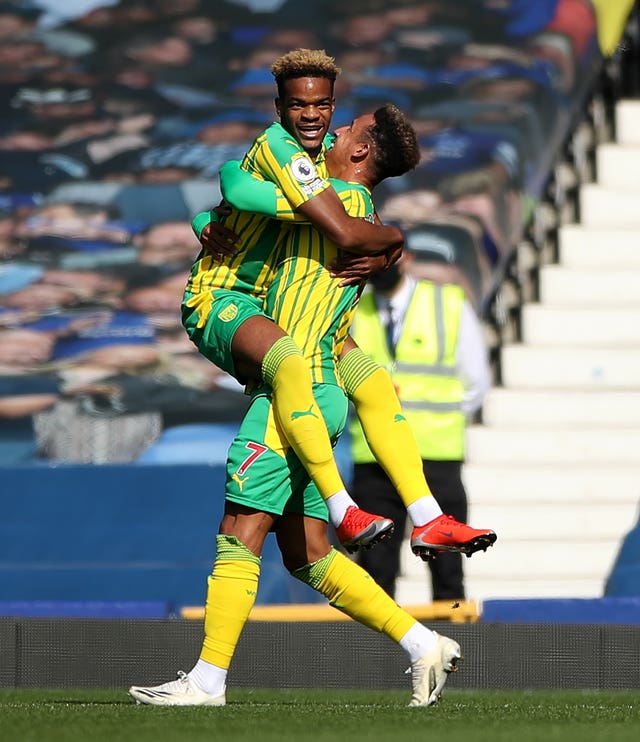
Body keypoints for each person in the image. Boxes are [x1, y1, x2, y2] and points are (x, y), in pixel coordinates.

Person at [129, 101, 463, 709]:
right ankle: (421, 644)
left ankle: (207, 680)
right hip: (324, 396)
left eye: (346, 129)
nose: (332, 132)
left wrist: (387, 240)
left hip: (292, 396)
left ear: (360, 151)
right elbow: (239, 198)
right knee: (307, 555)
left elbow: (239, 181)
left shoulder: (331, 202)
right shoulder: (345, 208)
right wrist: (213, 217)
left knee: (240, 529)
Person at [188, 48, 496, 560]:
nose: (325, 125)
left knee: (372, 384)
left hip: (305, 335)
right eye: (300, 106)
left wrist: (379, 239)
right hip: (229, 303)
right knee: (252, 529)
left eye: (335, 114)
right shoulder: (293, 158)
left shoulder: (333, 175)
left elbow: (244, 193)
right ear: (280, 107)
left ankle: (428, 522)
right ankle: (342, 508)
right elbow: (234, 183)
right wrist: (389, 237)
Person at [349, 242, 492, 600]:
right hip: (375, 460)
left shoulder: (448, 304)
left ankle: (455, 647)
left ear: (407, 258)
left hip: (435, 458)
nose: (378, 265)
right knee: (375, 571)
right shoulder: (352, 310)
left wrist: (434, 421)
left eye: (386, 257)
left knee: (447, 570)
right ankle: (374, 654)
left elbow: (475, 381)